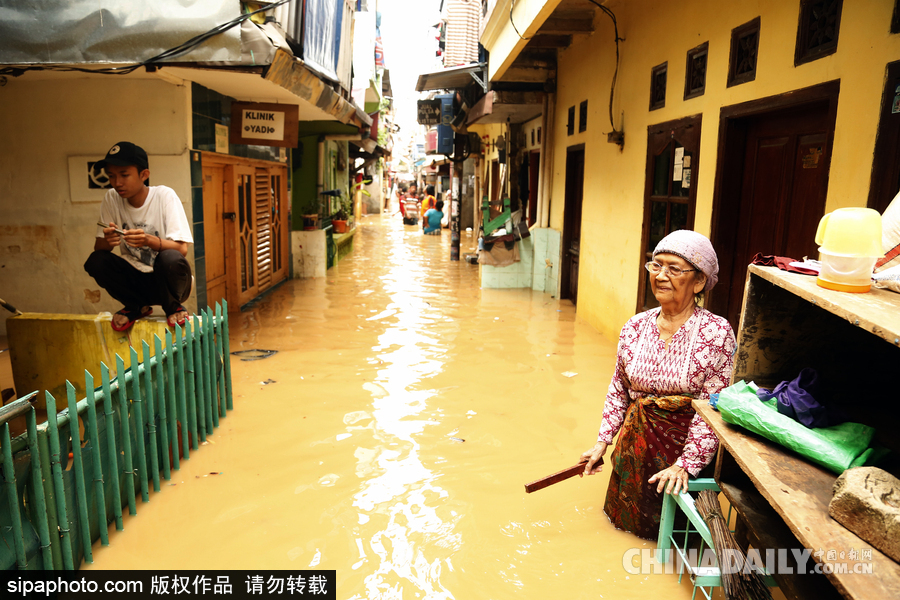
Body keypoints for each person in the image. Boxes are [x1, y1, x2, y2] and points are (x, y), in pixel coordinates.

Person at [580, 230, 736, 540]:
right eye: (656, 265)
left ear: (700, 281)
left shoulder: (717, 333)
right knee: (623, 530)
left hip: (684, 456)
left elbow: (713, 408)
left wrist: (686, 465)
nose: (661, 276)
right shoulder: (635, 327)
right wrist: (602, 442)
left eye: (674, 269)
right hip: (634, 453)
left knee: (677, 537)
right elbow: (618, 390)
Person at [84, 142, 193, 331]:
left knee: (170, 257)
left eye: (124, 175)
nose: (117, 182)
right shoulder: (111, 198)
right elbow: (100, 249)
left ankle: (172, 306)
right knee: (96, 261)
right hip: (136, 283)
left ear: (144, 175)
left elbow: (182, 249)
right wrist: (107, 241)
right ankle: (135, 306)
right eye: (111, 176)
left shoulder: (164, 196)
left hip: (170, 284)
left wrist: (148, 240)